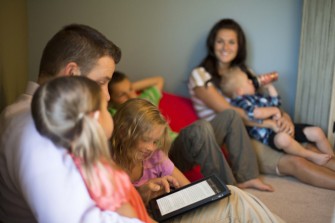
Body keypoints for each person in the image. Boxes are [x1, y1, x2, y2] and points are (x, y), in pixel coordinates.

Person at [0, 24, 145, 222]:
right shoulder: (35, 131)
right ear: (72, 74)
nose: (107, 96)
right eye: (101, 82)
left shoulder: (41, 119)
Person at [188, 18, 335, 190]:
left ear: (239, 45)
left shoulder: (246, 72)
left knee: (310, 146)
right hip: (238, 138)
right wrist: (270, 123)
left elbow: (263, 102)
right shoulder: (200, 75)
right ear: (212, 43)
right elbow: (231, 114)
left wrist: (284, 117)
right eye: (220, 41)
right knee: (296, 161)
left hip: (265, 128)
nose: (225, 47)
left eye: (231, 42)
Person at [110, 98, 285, 223]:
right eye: (147, 139)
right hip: (149, 217)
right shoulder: (107, 165)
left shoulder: (155, 157)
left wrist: (179, 195)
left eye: (155, 141)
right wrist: (142, 194)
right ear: (125, 132)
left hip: (169, 212)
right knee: (236, 205)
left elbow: (189, 190)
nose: (152, 147)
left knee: (234, 194)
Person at [107, 71, 273, 191]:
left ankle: (248, 176)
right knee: (201, 128)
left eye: (130, 89)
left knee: (230, 115)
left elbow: (159, 79)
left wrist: (128, 90)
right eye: (122, 94)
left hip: (175, 143)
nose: (129, 95)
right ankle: (229, 191)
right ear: (111, 98)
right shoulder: (116, 115)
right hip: (166, 152)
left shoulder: (145, 99)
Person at [31, 76, 154, 222]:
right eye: (106, 109)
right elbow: (132, 217)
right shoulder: (100, 174)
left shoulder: (80, 163)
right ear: (95, 117)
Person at [220, 66, 334, 166]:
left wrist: (270, 87)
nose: (252, 81)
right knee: (283, 139)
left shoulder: (257, 96)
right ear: (239, 91)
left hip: (285, 126)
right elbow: (256, 113)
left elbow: (276, 103)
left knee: (317, 131)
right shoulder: (239, 101)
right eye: (248, 81)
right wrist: (274, 110)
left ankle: (332, 157)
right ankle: (309, 155)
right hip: (271, 135)